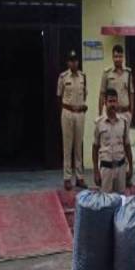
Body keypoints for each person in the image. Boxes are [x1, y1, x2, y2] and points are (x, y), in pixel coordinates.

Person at [57, 50, 88, 191]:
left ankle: (80, 177)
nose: (73, 63)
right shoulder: (63, 77)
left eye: (75, 60)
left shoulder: (83, 77)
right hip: (67, 112)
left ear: (78, 62)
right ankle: (67, 178)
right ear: (68, 63)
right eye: (71, 61)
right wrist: (65, 111)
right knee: (67, 146)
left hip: (80, 113)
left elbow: (84, 95)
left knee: (78, 146)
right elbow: (59, 96)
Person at [93, 89, 133, 194]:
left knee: (121, 199)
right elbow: (95, 148)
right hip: (106, 169)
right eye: (110, 101)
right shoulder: (99, 123)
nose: (112, 104)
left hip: (121, 168)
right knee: (106, 200)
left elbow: (127, 146)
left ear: (117, 102)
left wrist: (131, 168)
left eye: (114, 101)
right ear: (105, 103)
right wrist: (96, 171)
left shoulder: (123, 122)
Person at [98, 44, 134, 124]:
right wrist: (100, 114)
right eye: (116, 56)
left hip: (125, 113)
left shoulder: (128, 73)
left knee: (125, 133)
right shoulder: (107, 73)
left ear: (123, 57)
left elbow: (131, 94)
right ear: (112, 57)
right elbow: (102, 94)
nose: (118, 59)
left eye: (120, 56)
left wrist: (131, 113)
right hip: (111, 114)